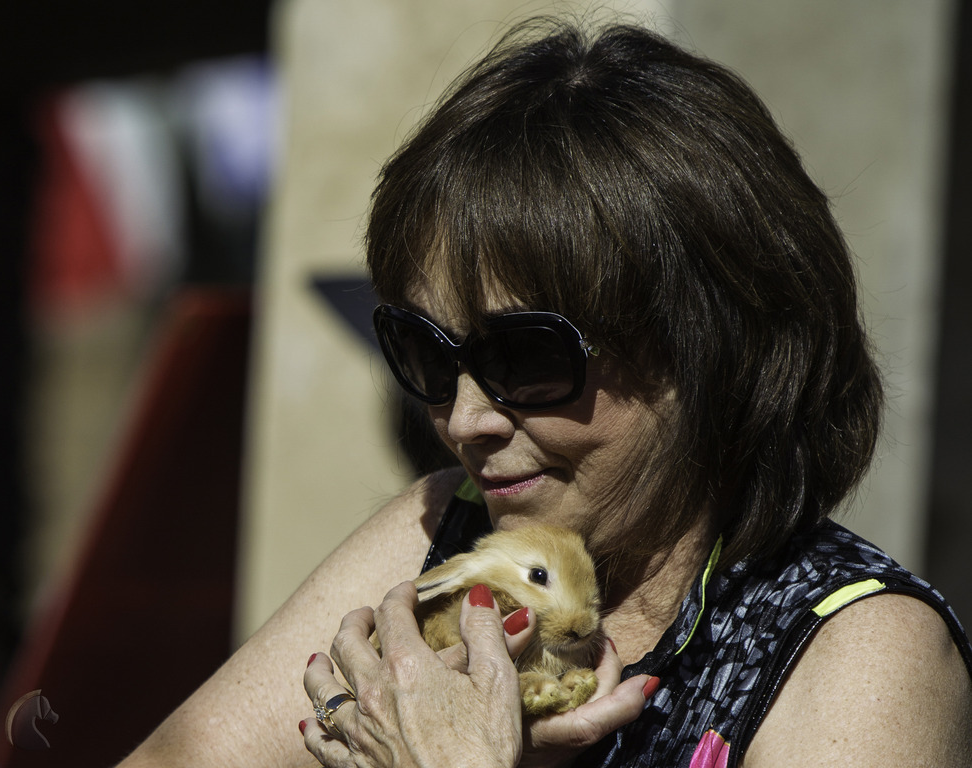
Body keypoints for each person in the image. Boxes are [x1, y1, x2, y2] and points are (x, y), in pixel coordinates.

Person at [119, 18, 972, 768]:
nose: (464, 420)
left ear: (710, 349)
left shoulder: (859, 653)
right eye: (425, 351)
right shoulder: (439, 530)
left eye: (526, 356)